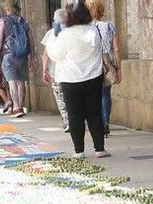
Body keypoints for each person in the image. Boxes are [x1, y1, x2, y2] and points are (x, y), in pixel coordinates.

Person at [43, 0, 107, 158]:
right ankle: (99, 148)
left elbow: (55, 55)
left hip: (70, 80)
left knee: (75, 115)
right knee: (94, 114)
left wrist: (53, 37)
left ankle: (79, 150)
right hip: (93, 78)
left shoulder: (65, 34)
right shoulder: (93, 31)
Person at [86, 0, 119, 135]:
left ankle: (99, 123)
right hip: (107, 63)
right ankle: (106, 122)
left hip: (92, 63)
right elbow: (116, 49)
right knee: (106, 94)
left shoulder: (85, 28)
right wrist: (119, 68)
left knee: (95, 95)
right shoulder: (109, 26)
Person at [0, 1, 28, 116]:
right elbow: (30, 38)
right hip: (22, 55)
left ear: (7, 9)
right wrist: (32, 55)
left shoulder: (3, 21)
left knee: (12, 81)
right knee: (21, 82)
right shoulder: (23, 20)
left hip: (8, 54)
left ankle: (16, 107)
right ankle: (21, 107)